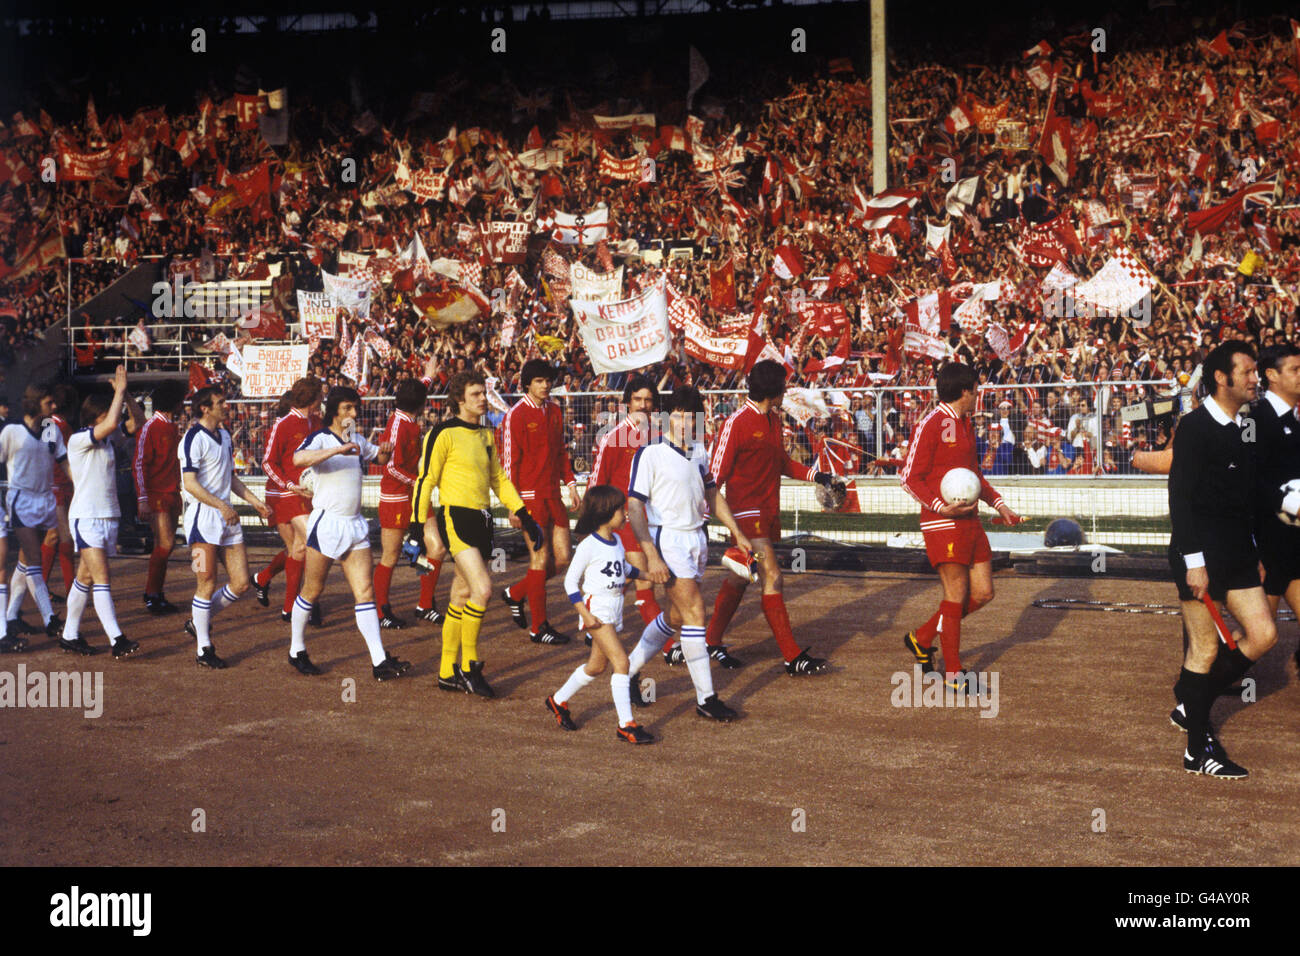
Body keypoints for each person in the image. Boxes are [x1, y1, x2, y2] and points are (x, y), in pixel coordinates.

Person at [1167, 341, 1277, 779]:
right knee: (1206, 648)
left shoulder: (1243, 426)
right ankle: (1197, 749)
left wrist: (1258, 551)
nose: (1256, 378)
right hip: (1199, 557)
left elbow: (1245, 499)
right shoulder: (1194, 428)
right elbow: (1182, 500)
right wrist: (1194, 562)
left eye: (1256, 371)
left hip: (1237, 553)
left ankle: (1192, 703)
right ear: (1221, 378)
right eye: (1248, 371)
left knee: (1264, 634)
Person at [686, 360, 839, 675]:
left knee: (739, 579)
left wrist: (817, 476)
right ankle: (792, 656)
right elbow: (714, 476)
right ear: (774, 390)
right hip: (745, 513)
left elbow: (782, 462)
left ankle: (711, 641)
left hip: (768, 511)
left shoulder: (772, 420)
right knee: (773, 576)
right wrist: (704, 516)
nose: (786, 391)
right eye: (783, 386)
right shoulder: (737, 422)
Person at [412, 370, 543, 698]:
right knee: (483, 590)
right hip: (456, 518)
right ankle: (469, 666)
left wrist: (526, 516)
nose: (483, 398)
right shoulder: (442, 433)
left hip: (484, 520)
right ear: (459, 399)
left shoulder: (486, 435)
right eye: (475, 394)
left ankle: (446, 673)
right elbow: (425, 480)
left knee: (459, 596)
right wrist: (416, 528)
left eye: (483, 393)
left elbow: (498, 479)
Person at [625, 386, 751, 722]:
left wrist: (737, 532)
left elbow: (712, 493)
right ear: (666, 417)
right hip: (667, 540)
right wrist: (650, 554)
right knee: (696, 611)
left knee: (677, 617)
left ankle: (628, 672)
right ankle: (706, 699)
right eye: (676, 415)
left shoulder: (698, 450)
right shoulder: (649, 453)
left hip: (697, 538)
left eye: (688, 416)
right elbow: (635, 507)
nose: (682, 422)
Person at [899, 362, 1022, 689]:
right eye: (976, 391)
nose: (978, 396)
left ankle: (923, 637)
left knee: (983, 593)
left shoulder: (965, 423)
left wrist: (999, 504)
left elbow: (973, 475)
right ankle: (953, 673)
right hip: (942, 521)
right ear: (964, 392)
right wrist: (941, 507)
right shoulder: (931, 423)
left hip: (970, 521)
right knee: (955, 593)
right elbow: (909, 479)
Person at [289, 385, 411, 681]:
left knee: (365, 592)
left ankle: (379, 661)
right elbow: (297, 460)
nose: (354, 413)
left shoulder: (356, 437)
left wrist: (383, 453)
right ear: (333, 411)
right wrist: (337, 449)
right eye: (347, 408)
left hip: (354, 524)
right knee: (312, 590)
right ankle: (296, 649)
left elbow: (377, 460)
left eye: (355, 408)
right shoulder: (319, 438)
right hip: (327, 524)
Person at [545, 484, 653, 744]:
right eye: (620, 510)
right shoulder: (587, 545)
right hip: (597, 611)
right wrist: (584, 613)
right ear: (606, 512)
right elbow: (570, 582)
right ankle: (626, 725)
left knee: (596, 666)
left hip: (614, 609)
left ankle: (557, 701)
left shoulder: (615, 540)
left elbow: (624, 568)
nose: (625, 514)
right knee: (622, 663)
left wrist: (649, 575)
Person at [179, 386, 273, 669]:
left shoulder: (223, 436)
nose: (226, 406)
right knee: (205, 582)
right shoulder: (193, 438)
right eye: (220, 403)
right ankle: (203, 648)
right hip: (201, 522)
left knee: (242, 583)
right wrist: (221, 506)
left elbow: (229, 477)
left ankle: (198, 621)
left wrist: (256, 502)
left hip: (227, 519)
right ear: (205, 408)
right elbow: (190, 483)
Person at [59, 367, 145, 657]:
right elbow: (110, 425)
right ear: (97, 414)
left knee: (84, 578)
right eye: (109, 410)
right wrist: (118, 393)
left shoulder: (107, 438)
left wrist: (128, 394)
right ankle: (117, 639)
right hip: (86, 517)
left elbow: (138, 422)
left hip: (107, 517)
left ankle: (69, 634)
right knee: (102, 578)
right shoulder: (79, 439)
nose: (116, 413)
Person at [500, 358, 578, 646]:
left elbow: (560, 452)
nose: (545, 386)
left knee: (562, 559)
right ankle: (539, 627)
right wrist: (512, 504)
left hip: (553, 494)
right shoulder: (516, 415)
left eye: (548, 381)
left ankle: (516, 593)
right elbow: (509, 463)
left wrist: (570, 484)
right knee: (539, 558)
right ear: (527, 384)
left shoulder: (555, 411)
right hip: (529, 498)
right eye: (539, 381)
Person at [586, 373, 662, 631]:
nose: (643, 405)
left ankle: (594, 619)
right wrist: (596, 522)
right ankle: (667, 647)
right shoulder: (614, 436)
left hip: (655, 519)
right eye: (638, 399)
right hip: (625, 520)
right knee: (646, 582)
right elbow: (597, 481)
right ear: (628, 402)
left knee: (624, 577)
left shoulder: (659, 436)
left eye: (648, 400)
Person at [3, 383, 71, 639]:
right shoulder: (12, 431)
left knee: (25, 560)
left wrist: (83, 485)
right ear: (34, 403)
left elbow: (64, 462)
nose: (54, 407)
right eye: (48, 403)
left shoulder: (50, 430)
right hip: (21, 501)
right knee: (34, 560)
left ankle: (10, 617)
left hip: (45, 500)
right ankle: (50, 618)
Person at [1247, 343, 1300, 673]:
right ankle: (1195, 695)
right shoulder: (1256, 420)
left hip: (1293, 545)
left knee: (1260, 634)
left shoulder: (1293, 421)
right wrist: (1287, 501)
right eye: (1295, 370)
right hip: (1268, 548)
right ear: (1271, 375)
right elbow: (1249, 480)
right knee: (1259, 636)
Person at [254, 377, 323, 624]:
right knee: (306, 544)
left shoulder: (317, 421)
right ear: (313, 398)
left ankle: (271, 586)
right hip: (288, 494)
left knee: (298, 548)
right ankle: (298, 605)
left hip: (311, 493)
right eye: (320, 395)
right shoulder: (282, 424)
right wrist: (288, 484)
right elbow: (267, 462)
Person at [373, 372, 432, 629]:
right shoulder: (399, 425)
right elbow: (392, 469)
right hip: (396, 496)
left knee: (435, 546)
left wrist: (428, 377)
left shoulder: (407, 417)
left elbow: (416, 392)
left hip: (412, 493)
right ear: (421, 404)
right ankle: (380, 610)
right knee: (390, 555)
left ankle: (425, 604)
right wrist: (419, 482)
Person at [134, 380, 187, 613]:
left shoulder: (172, 427)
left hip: (172, 493)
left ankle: (157, 593)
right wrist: (142, 498)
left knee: (164, 546)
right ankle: (151, 593)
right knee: (165, 544)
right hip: (156, 495)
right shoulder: (151, 426)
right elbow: (139, 464)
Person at [41, 383, 78, 603]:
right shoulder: (51, 423)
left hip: (63, 485)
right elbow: (47, 456)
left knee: (58, 537)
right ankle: (65, 587)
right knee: (60, 536)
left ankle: (60, 586)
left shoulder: (60, 423)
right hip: (54, 486)